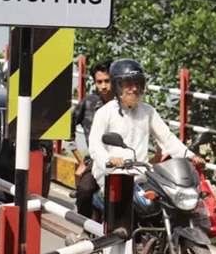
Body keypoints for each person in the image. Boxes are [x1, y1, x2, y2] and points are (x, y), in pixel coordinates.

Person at [89, 59, 206, 199]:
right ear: (117, 86)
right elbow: (95, 146)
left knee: (165, 201)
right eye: (128, 84)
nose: (134, 88)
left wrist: (189, 155)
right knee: (121, 209)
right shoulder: (105, 112)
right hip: (112, 174)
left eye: (137, 83)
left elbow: (166, 137)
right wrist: (110, 159)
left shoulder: (148, 111)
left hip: (142, 173)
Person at [63, 58, 113, 219]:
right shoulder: (88, 104)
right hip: (95, 161)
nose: (104, 86)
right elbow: (66, 131)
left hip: (122, 160)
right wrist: (81, 162)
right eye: (99, 82)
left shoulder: (125, 103)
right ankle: (84, 229)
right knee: (84, 191)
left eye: (107, 81)